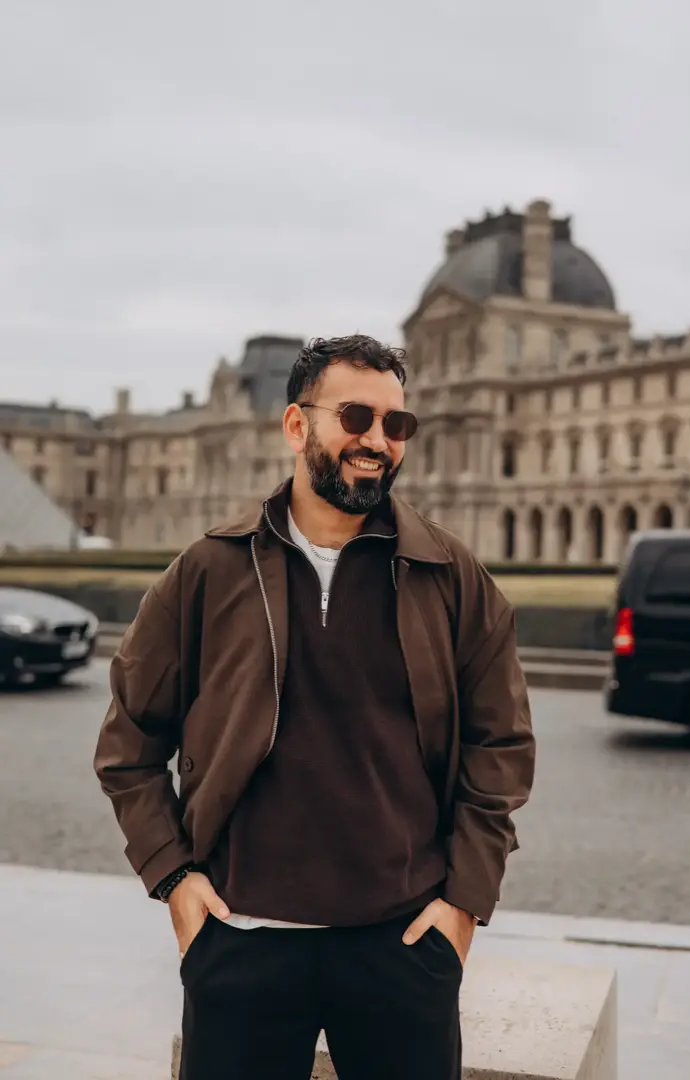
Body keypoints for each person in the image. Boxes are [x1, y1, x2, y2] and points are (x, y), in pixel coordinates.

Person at [94, 334, 535, 1080]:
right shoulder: (206, 571)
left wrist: (463, 902)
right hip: (242, 940)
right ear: (297, 426)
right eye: (356, 417)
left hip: (402, 946)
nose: (377, 442)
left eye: (397, 425)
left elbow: (501, 748)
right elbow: (128, 743)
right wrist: (172, 878)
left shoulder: (455, 578)